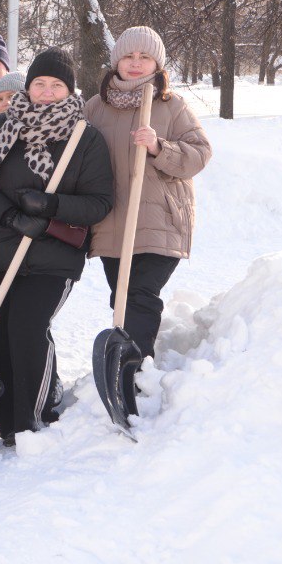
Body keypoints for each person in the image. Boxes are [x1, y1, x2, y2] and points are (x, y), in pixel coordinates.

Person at [0, 49, 113, 444]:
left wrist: (50, 206)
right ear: (28, 87)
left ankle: (28, 420)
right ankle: (4, 413)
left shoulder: (85, 137)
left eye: (56, 85)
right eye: (39, 84)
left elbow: (99, 202)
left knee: (27, 330)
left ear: (69, 91)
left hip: (50, 256)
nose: (46, 92)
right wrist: (10, 216)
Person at [85, 26, 211, 358]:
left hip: (160, 220)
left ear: (157, 64)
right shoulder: (95, 108)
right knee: (122, 298)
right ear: (116, 61)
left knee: (140, 294)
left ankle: (136, 368)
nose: (136, 62)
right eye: (128, 55)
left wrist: (159, 147)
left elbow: (200, 154)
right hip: (112, 221)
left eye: (145, 57)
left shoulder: (172, 105)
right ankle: (124, 370)